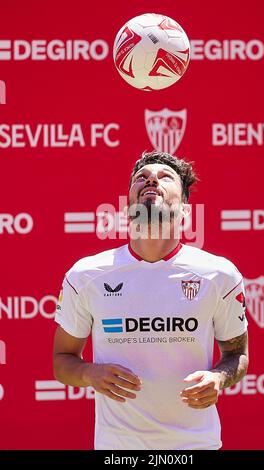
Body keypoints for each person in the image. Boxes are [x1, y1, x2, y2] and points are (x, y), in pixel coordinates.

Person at [53, 150, 249, 450]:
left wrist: (218, 379)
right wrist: (89, 373)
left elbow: (238, 355)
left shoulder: (218, 274)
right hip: (116, 448)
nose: (151, 179)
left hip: (195, 445)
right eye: (141, 178)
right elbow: (62, 360)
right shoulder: (86, 275)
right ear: (128, 206)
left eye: (164, 177)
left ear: (185, 209)